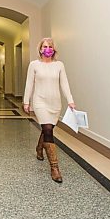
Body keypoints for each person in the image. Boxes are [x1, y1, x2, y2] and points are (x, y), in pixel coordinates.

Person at [23, 38, 76, 183]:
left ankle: (40, 147)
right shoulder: (34, 65)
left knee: (48, 128)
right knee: (47, 129)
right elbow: (29, 84)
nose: (47, 49)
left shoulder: (59, 65)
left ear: (54, 49)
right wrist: (26, 101)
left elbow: (64, 84)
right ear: (40, 49)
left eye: (50, 46)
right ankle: (54, 167)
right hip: (40, 101)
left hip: (55, 103)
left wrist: (70, 100)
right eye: (45, 46)